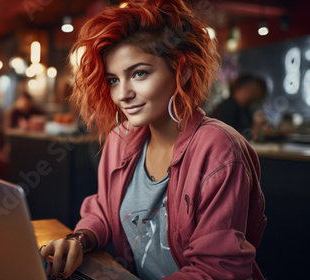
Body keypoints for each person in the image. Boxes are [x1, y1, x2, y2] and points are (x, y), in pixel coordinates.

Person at [40, 1, 266, 279]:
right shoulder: (120, 139)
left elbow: (216, 271)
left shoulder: (218, 149)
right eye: (113, 79)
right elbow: (103, 208)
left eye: (139, 73)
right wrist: (79, 239)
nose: (122, 94)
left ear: (181, 71)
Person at [211, 73, 267, 139]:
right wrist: (254, 129)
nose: (256, 97)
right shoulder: (227, 106)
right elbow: (230, 137)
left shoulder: (246, 110)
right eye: (254, 91)